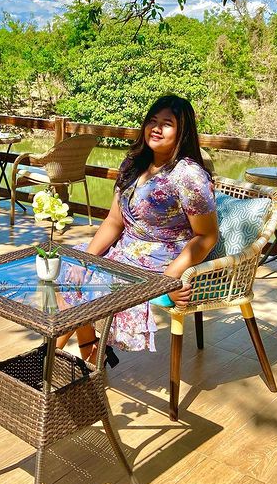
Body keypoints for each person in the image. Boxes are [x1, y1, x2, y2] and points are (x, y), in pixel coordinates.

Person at [60, 94, 219, 363]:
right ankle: (89, 352)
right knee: (66, 267)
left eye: (167, 123)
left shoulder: (187, 175)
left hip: (158, 263)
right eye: (152, 121)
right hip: (124, 250)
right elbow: (114, 221)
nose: (156, 128)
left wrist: (167, 280)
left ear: (182, 131)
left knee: (86, 284)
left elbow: (207, 235)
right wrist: (86, 258)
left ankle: (43, 359)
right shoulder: (134, 163)